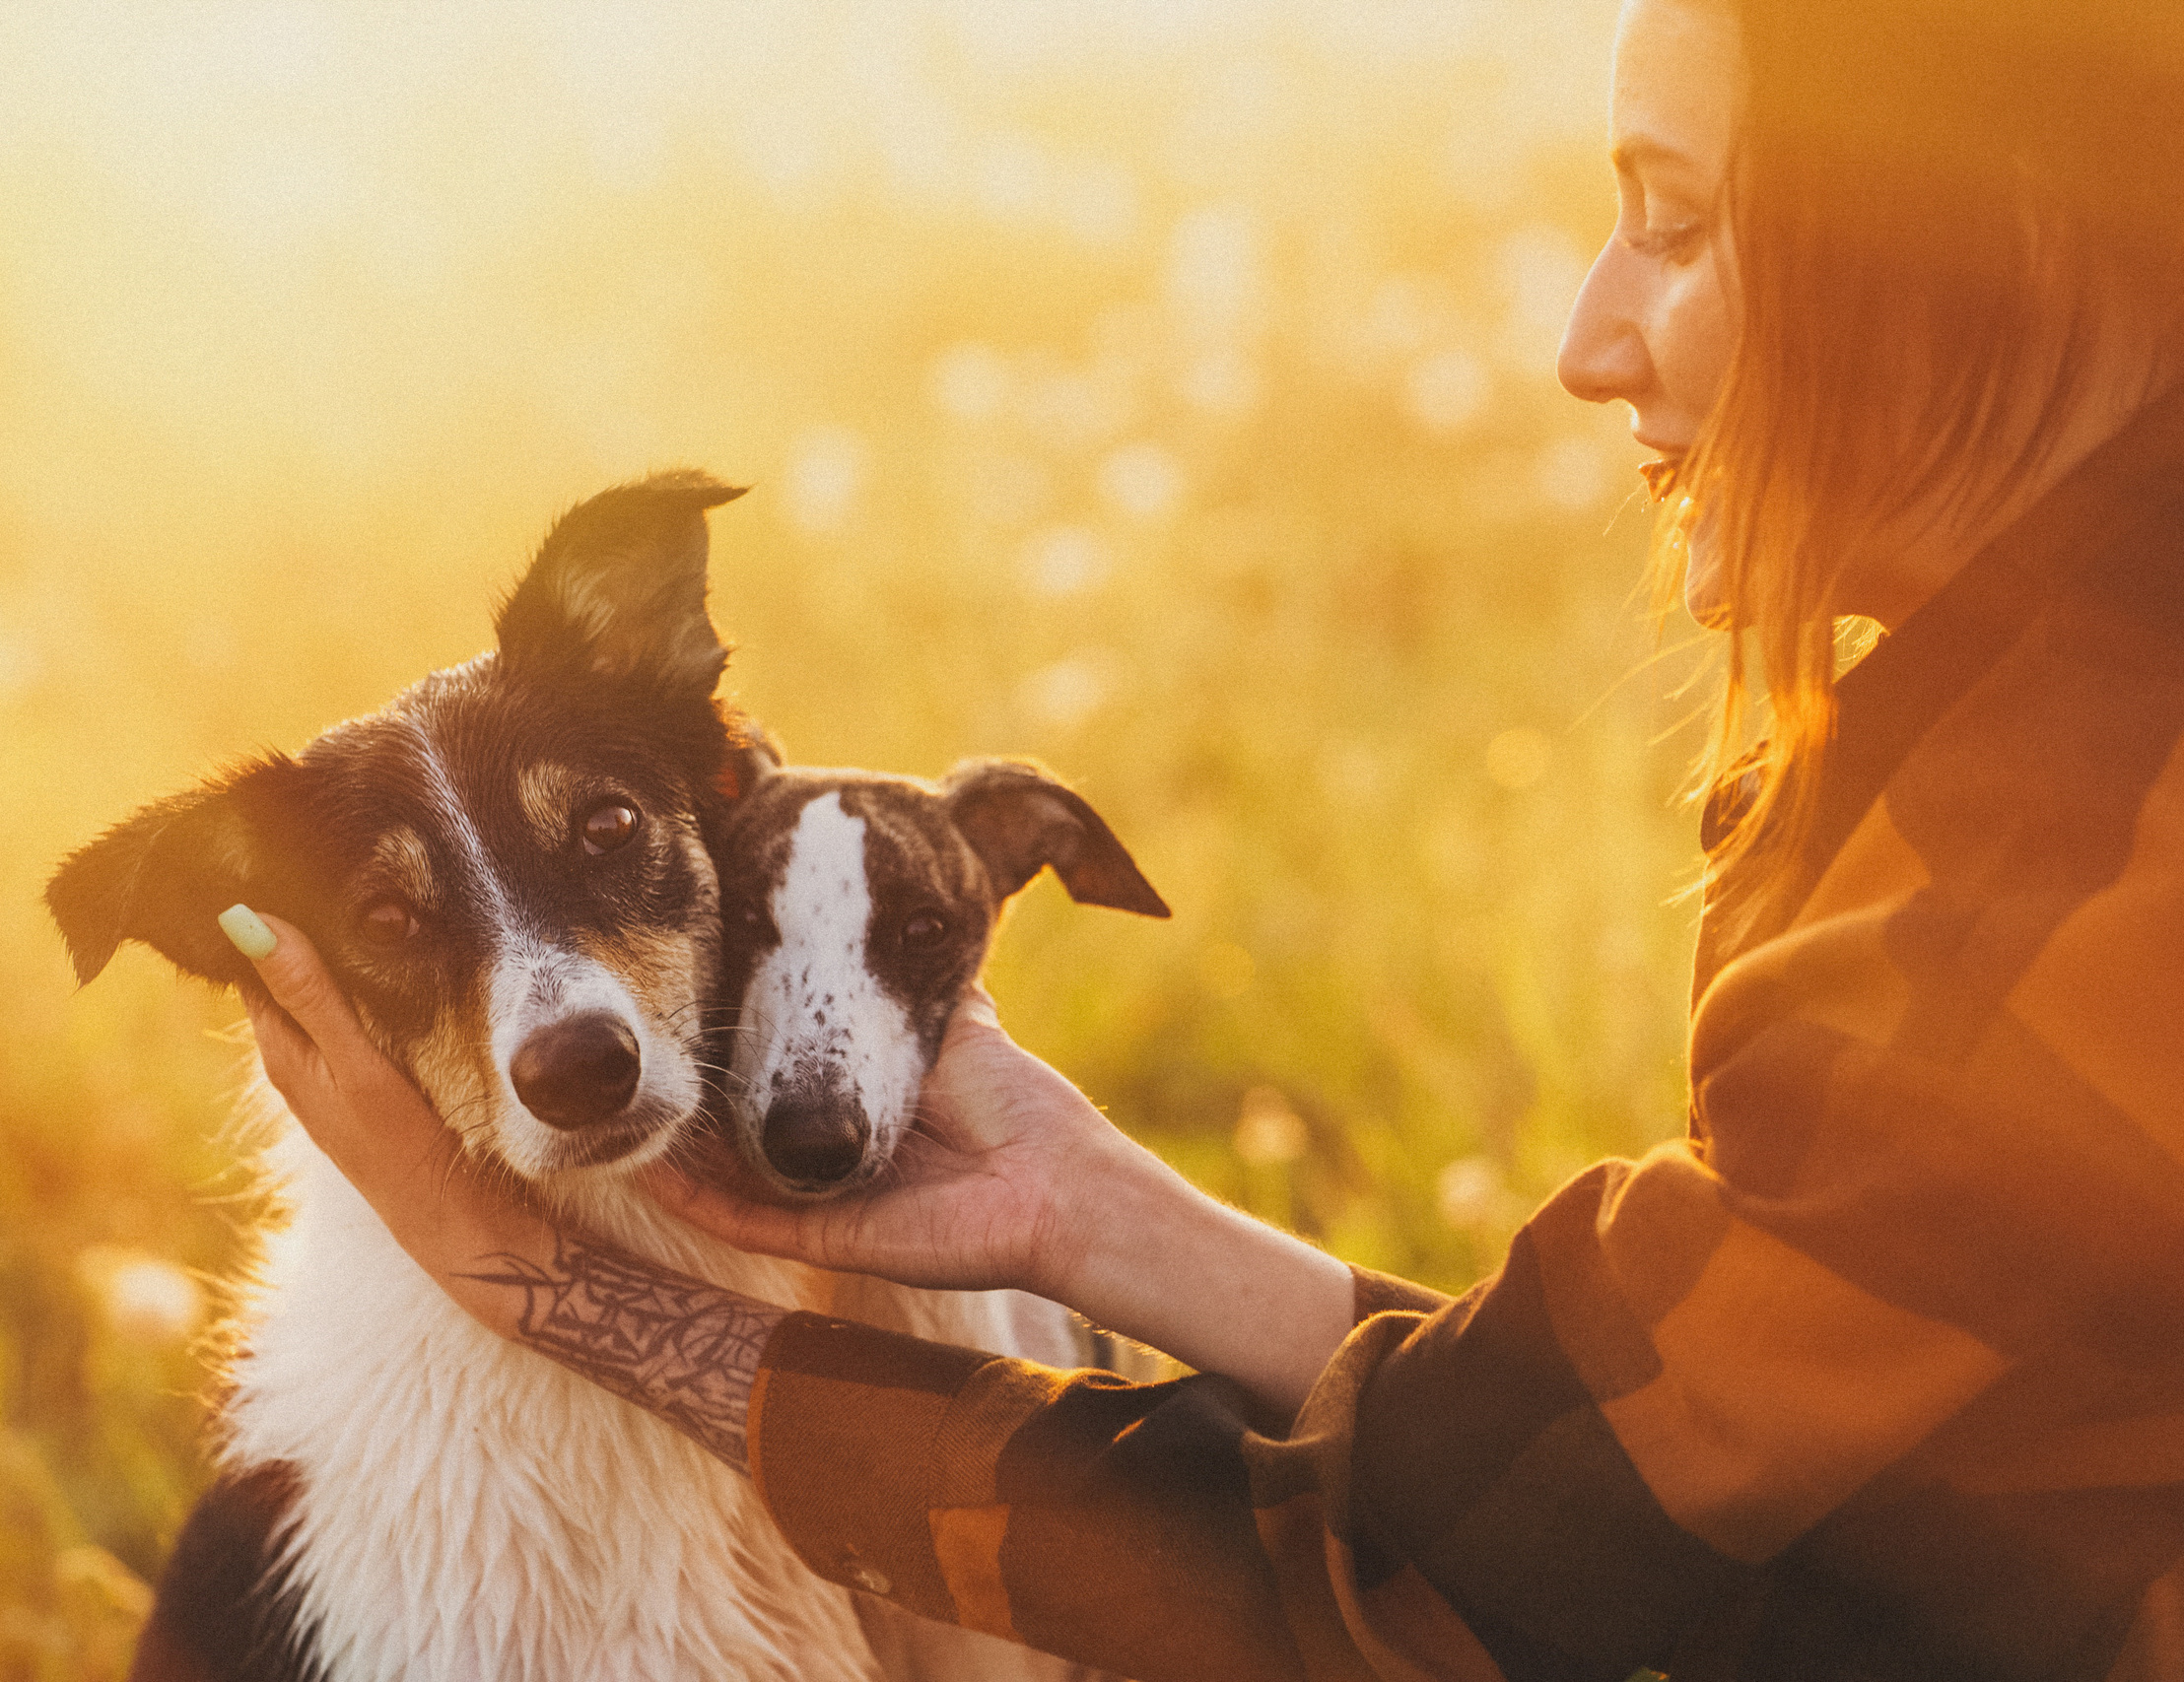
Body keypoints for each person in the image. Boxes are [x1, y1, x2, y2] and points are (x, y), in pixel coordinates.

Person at [213, 0, 2184, 1674]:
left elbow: (1437, 1581)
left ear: (1991, 227)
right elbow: (1647, 1469)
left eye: (1676, 225)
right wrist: (1087, 1211)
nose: (1586, 340)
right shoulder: (2050, 719)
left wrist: (552, 1285)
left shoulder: (2070, 876)